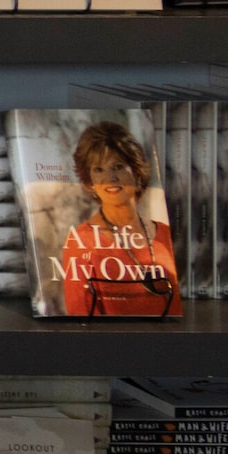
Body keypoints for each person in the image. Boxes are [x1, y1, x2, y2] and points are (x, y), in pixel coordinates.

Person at [57, 119, 178, 316]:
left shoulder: (165, 233)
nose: (109, 178)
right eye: (98, 170)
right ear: (90, 184)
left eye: (118, 166)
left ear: (137, 172)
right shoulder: (81, 242)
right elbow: (81, 318)